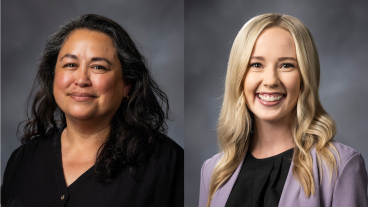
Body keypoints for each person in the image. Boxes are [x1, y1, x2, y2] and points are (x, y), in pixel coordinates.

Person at [2, 14, 183, 207]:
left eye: (98, 67)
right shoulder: (23, 159)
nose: (81, 80)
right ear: (53, 76)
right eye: (70, 65)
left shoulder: (166, 162)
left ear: (126, 85)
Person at [199, 13, 368, 207]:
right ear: (239, 76)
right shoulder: (213, 171)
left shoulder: (341, 166)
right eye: (256, 65)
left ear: (305, 76)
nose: (271, 81)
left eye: (287, 65)